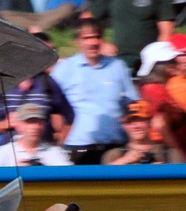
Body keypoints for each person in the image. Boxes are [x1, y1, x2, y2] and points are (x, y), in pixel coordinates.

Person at [51, 19, 136, 164]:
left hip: (114, 147)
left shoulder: (118, 66)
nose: (93, 43)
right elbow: (53, 107)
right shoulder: (64, 69)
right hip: (78, 147)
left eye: (96, 37)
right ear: (77, 41)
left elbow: (133, 104)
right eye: (87, 38)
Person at [0, 103, 73, 166]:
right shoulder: (2, 153)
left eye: (38, 122)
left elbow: (70, 177)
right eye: (29, 122)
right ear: (18, 125)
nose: (35, 127)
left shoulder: (55, 153)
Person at [103, 100, 184, 164]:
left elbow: (183, 180)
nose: (136, 126)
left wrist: (162, 170)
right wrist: (124, 160)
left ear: (150, 122)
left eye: (141, 121)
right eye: (130, 122)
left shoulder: (170, 153)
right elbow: (103, 178)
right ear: (124, 125)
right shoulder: (114, 155)